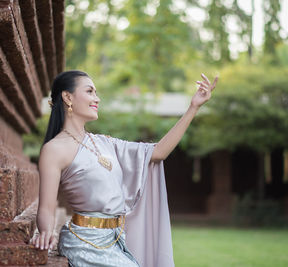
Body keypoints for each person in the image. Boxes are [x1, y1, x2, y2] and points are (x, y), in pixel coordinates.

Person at [29, 70, 218, 267]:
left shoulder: (105, 143)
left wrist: (193, 107)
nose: (97, 98)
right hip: (85, 243)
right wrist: (46, 232)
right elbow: (46, 208)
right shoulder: (54, 150)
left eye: (96, 92)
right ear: (68, 97)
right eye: (90, 91)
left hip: (116, 240)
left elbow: (158, 152)